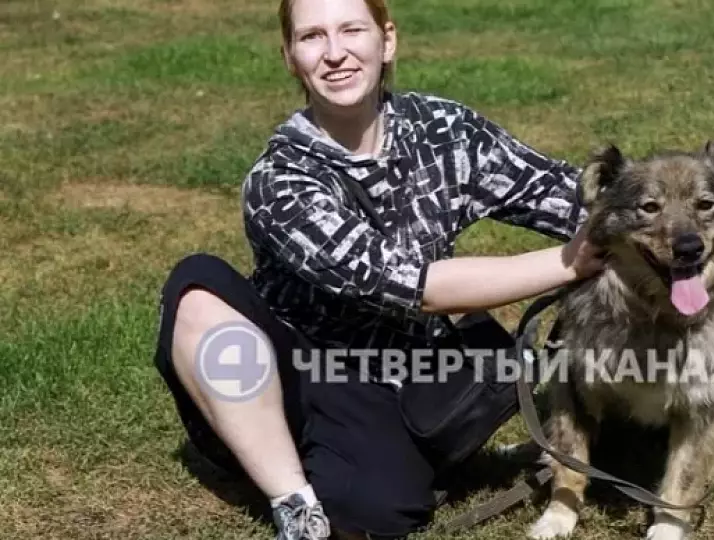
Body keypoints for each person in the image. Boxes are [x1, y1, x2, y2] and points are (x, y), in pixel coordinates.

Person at [152, 0, 606, 539]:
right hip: (294, 363)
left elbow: (562, 193)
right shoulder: (280, 179)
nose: (335, 53)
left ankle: (352, 463)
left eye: (351, 30)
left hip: (398, 377)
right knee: (198, 284)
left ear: (386, 41)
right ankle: (289, 496)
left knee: (382, 512)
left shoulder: (445, 131)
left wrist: (661, 218)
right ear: (290, 57)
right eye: (312, 37)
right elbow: (410, 285)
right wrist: (569, 261)